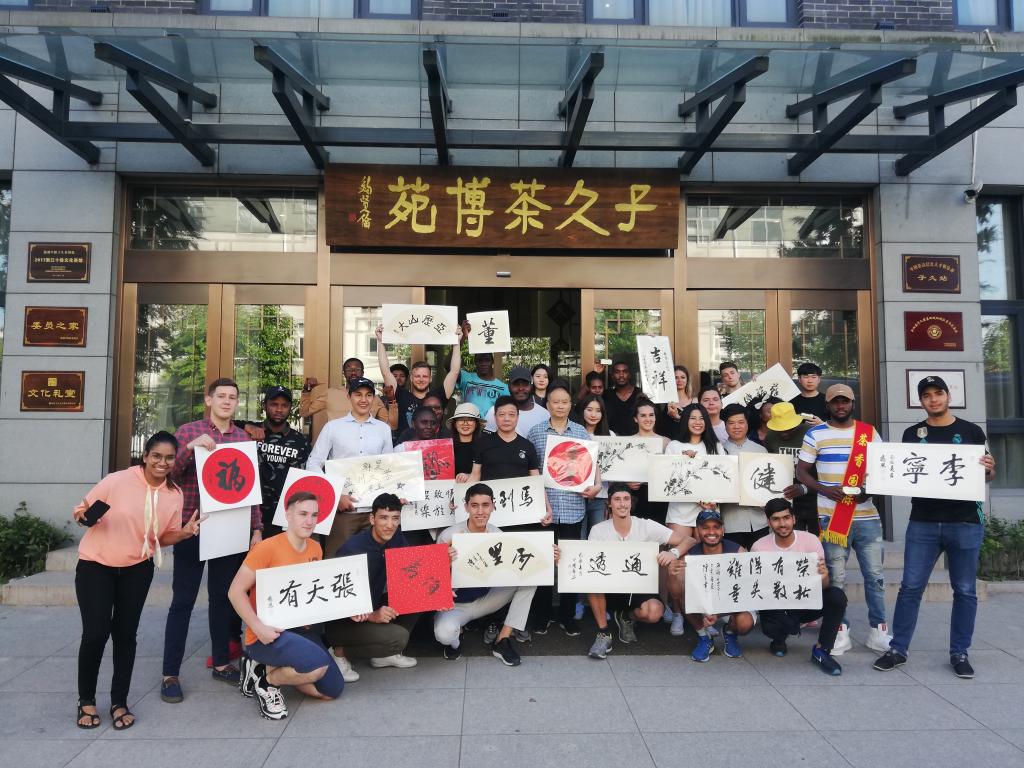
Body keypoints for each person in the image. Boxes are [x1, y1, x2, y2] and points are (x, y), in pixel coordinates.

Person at [72, 431, 200, 730]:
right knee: (95, 634)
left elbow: (161, 537)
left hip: (137, 569)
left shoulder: (174, 494)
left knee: (126, 636)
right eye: (156, 456)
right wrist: (86, 518)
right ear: (145, 456)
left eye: (169, 458)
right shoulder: (117, 480)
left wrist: (183, 533)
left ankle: (119, 702)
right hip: (96, 566)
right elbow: (80, 511)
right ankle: (86, 701)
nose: (162, 463)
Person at [874, 376, 997, 679]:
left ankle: (960, 652)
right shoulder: (912, 434)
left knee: (965, 590)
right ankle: (898, 649)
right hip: (923, 521)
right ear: (921, 401)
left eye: (938, 393)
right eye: (927, 395)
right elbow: (900, 472)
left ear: (947, 396)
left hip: (965, 521)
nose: (933, 399)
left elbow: (987, 475)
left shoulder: (971, 431)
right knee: (910, 587)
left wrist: (989, 469)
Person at [161, 378, 262, 705]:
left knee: (222, 597)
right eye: (221, 396)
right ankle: (170, 674)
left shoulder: (242, 437)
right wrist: (190, 448)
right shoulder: (188, 431)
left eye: (232, 397)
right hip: (192, 527)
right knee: (183, 600)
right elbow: (169, 474)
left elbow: (250, 488)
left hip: (229, 528)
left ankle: (221, 662)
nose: (227, 401)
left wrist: (256, 528)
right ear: (209, 400)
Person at [229, 492, 344, 720]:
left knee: (332, 690)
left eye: (314, 515)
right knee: (316, 667)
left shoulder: (315, 548)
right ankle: (267, 681)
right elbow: (235, 591)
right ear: (288, 515)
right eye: (303, 514)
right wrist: (258, 628)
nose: (309, 521)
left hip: (300, 629)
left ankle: (265, 668)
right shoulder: (266, 548)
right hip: (266, 634)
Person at [797, 383, 891, 656]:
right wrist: (825, 490)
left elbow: (882, 469)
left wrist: (867, 491)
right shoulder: (815, 434)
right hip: (831, 517)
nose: (841, 406)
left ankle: (879, 630)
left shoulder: (868, 433)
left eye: (845, 401)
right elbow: (802, 471)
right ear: (827, 405)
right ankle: (839, 630)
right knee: (836, 577)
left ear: (852, 403)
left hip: (867, 516)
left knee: (875, 576)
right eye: (836, 402)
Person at [326, 494, 441, 682]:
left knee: (421, 593)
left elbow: (413, 571)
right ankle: (338, 653)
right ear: (372, 519)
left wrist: (440, 590)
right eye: (383, 518)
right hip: (345, 620)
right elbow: (339, 602)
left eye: (395, 518)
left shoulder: (396, 537)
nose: (390, 525)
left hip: (374, 604)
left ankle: (385, 655)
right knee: (398, 638)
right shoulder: (352, 550)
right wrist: (372, 615)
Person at [435, 484, 549, 666]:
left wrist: (549, 555)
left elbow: (516, 568)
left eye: (485, 505)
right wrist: (444, 563)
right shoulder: (448, 536)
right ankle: (456, 639)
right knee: (444, 635)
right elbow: (431, 579)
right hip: (455, 605)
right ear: (466, 507)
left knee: (530, 579)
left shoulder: (497, 534)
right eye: (474, 505)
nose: (480, 511)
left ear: (493, 506)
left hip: (487, 597)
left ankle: (503, 639)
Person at [586, 483, 693, 659]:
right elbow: (588, 561)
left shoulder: (645, 526)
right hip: (609, 588)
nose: (622, 504)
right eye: (617, 499)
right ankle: (604, 633)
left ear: (632, 502)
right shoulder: (598, 530)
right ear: (609, 503)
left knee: (654, 612)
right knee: (591, 580)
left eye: (626, 499)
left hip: (637, 587)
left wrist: (672, 552)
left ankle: (625, 616)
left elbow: (688, 540)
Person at [527, 382, 600, 636]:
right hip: (544, 508)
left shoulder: (580, 432)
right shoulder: (536, 432)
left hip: (572, 506)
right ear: (547, 405)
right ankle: (542, 615)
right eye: (555, 402)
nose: (560, 406)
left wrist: (597, 485)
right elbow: (531, 469)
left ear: (571, 405)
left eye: (565, 402)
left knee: (569, 563)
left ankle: (567, 616)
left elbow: (592, 464)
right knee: (544, 561)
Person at [753, 498, 848, 676]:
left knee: (836, 596)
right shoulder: (759, 547)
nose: (782, 524)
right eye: (776, 519)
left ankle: (822, 650)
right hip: (776, 605)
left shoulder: (810, 540)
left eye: (786, 518)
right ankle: (778, 638)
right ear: (769, 522)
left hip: (805, 601)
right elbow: (757, 589)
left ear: (794, 519)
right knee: (773, 624)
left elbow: (824, 586)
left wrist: (823, 576)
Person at [306, 377, 393, 557]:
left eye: (369, 395)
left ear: (374, 398)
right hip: (343, 510)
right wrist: (334, 494)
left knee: (373, 562)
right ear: (349, 396)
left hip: (374, 510)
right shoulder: (332, 427)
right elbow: (313, 463)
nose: (363, 400)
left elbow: (388, 467)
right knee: (338, 560)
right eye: (358, 394)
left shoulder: (383, 429)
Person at [663, 403, 722, 635]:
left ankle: (706, 616)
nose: (697, 422)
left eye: (701, 418)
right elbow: (667, 478)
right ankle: (679, 614)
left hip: (708, 511)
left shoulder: (715, 446)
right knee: (677, 564)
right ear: (685, 421)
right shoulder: (674, 446)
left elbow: (723, 478)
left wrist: (712, 500)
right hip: (680, 510)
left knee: (705, 565)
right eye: (692, 418)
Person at [677, 508, 756, 662]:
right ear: (698, 530)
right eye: (705, 527)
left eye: (716, 527)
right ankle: (703, 636)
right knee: (680, 589)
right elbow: (678, 592)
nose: (711, 532)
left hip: (733, 603)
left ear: (723, 530)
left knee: (744, 623)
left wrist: (719, 614)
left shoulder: (738, 552)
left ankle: (730, 632)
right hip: (705, 602)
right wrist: (673, 572)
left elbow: (747, 591)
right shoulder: (690, 554)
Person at [242, 386, 311, 536]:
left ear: (290, 408)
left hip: (284, 517)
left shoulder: (300, 441)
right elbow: (225, 424)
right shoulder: (248, 432)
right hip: (250, 515)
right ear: (264, 405)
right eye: (274, 404)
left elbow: (307, 479)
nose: (279, 409)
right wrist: (246, 426)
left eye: (284, 405)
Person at [377, 323, 462, 430]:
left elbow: (454, 372)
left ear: (430, 378)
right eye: (417, 376)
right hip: (406, 441)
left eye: (425, 376)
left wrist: (457, 342)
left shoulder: (438, 396)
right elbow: (385, 372)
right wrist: (380, 341)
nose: (421, 379)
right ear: (411, 378)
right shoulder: (401, 395)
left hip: (435, 441)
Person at [300, 357, 391, 441]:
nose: (353, 372)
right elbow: (304, 412)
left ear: (363, 372)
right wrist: (306, 390)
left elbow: (390, 425)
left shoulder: (373, 398)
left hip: (365, 446)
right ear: (343, 373)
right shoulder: (331, 394)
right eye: (349, 370)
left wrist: (391, 400)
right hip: (337, 447)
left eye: (357, 369)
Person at [719, 403, 770, 551]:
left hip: (760, 519)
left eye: (741, 422)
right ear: (725, 426)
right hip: (731, 520)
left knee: (761, 559)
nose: (736, 427)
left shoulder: (761, 450)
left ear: (747, 424)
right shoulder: (718, 452)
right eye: (731, 423)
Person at [764, 402, 818, 535]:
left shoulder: (811, 433)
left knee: (816, 540)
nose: (784, 433)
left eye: (788, 428)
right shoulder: (770, 437)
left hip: (814, 496)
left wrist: (805, 488)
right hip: (786, 498)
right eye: (779, 429)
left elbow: (823, 468)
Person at [469, 395, 542, 483]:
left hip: (519, 492)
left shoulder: (528, 446)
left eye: (511, 415)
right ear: (495, 417)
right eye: (501, 415)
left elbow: (535, 478)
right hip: (489, 492)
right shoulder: (482, 443)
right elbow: (475, 475)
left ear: (517, 417)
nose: (506, 419)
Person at [628, 398, 671, 526]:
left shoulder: (666, 442)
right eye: (643, 415)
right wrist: (626, 482)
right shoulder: (628, 442)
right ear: (635, 419)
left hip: (660, 496)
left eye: (651, 415)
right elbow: (619, 471)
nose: (648, 419)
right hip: (635, 496)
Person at [483, 366, 550, 438]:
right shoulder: (495, 411)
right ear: (508, 386)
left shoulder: (545, 415)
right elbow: (486, 440)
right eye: (516, 384)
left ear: (531, 386)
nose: (521, 388)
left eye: (525, 384)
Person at [456, 348, 509, 417]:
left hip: (491, 423)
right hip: (470, 422)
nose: (483, 363)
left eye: (487, 360)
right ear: (475, 362)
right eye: (480, 360)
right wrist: (458, 344)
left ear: (492, 362)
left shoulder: (504, 388)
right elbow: (449, 366)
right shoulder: (466, 378)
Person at [603, 360, 642, 437]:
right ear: (612, 376)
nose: (621, 375)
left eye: (625, 372)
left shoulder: (639, 394)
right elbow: (584, 397)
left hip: (636, 440)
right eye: (617, 372)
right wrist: (596, 373)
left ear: (629, 375)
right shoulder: (607, 395)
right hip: (613, 440)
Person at [656, 364, 693, 437]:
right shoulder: (664, 402)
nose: (679, 380)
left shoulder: (695, 402)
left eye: (683, 377)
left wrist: (677, 417)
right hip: (668, 441)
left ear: (687, 380)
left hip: (688, 441)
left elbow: (696, 425)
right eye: (676, 377)